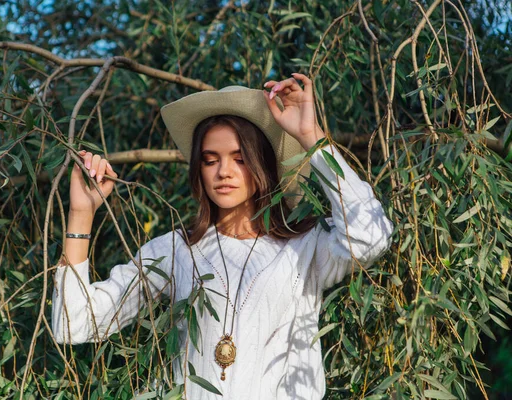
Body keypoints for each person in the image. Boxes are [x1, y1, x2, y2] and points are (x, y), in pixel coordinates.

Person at [52, 73, 393, 399]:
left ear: (262, 163)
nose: (223, 172)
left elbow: (371, 236)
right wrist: (82, 213)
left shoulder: (305, 247)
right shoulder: (177, 250)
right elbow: (76, 324)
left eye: (239, 158)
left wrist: (311, 137)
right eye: (210, 160)